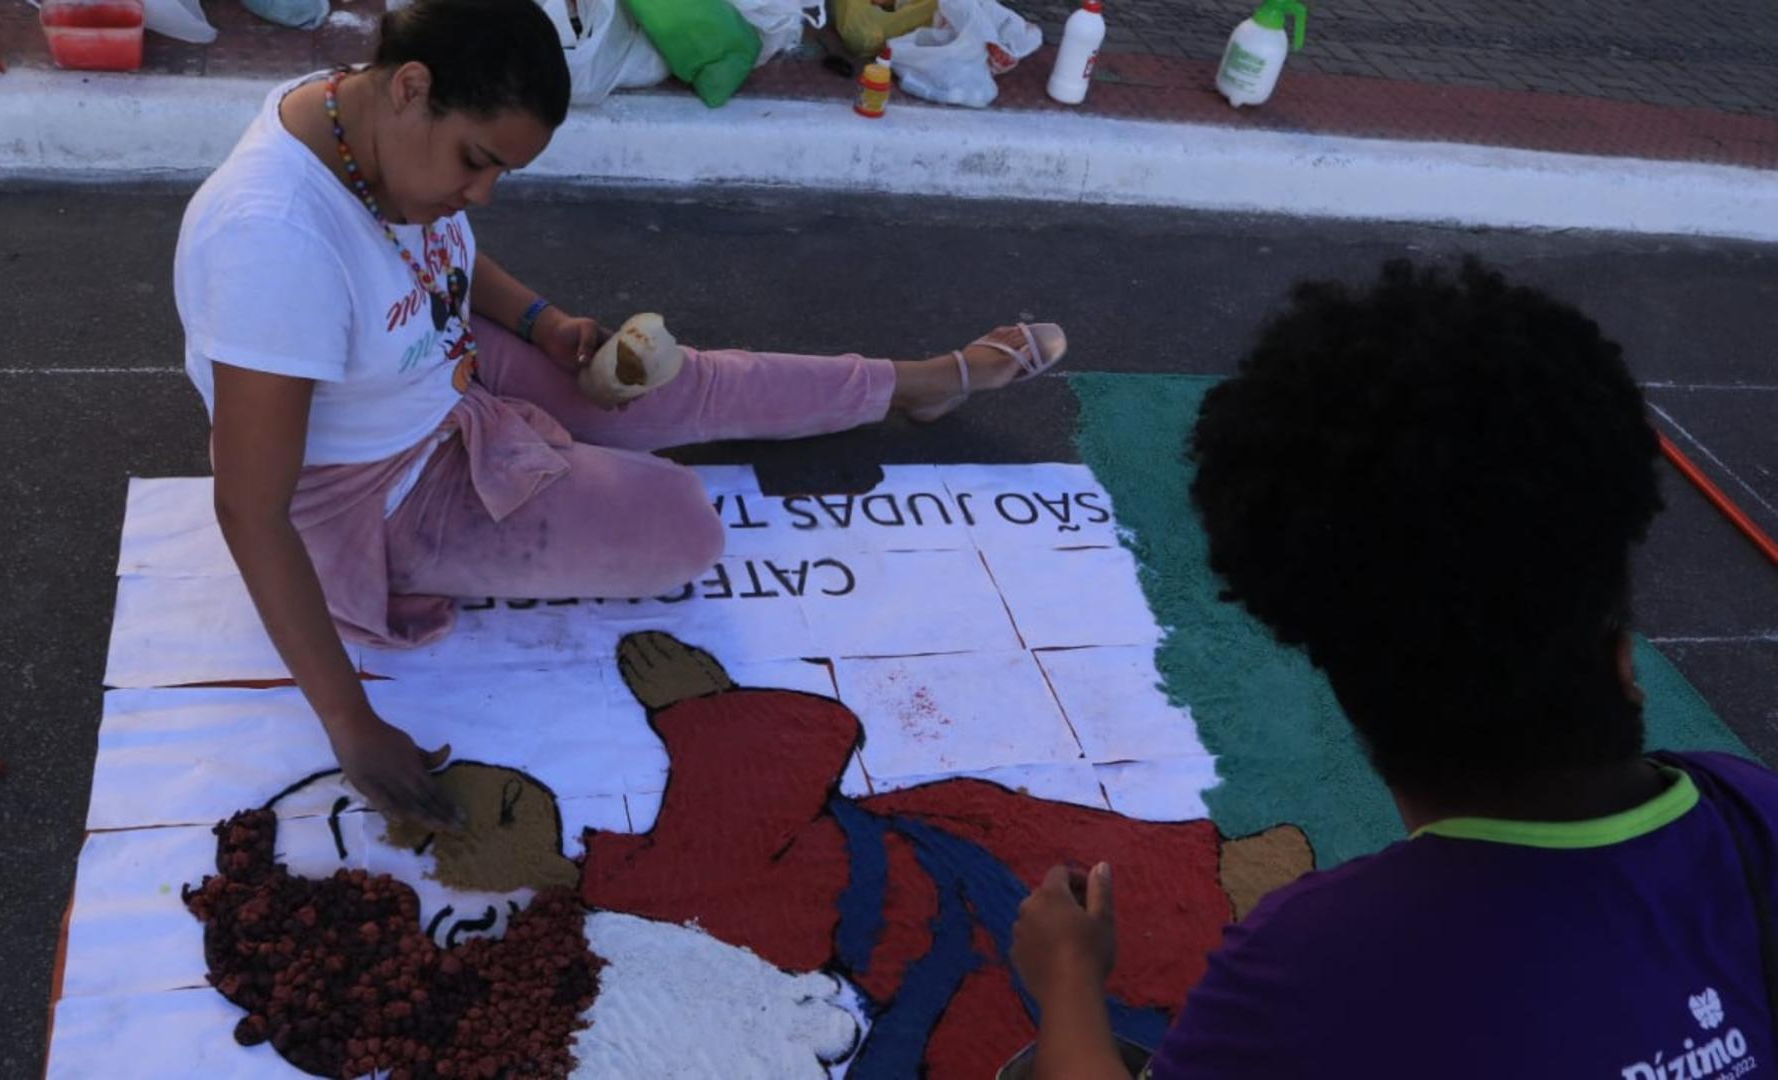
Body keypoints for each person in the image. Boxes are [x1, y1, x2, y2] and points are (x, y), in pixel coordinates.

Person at [172, 0, 1066, 831]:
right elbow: (251, 508)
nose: (481, 195)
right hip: (374, 488)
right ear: (411, 88)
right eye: (478, 162)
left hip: (441, 367)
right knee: (679, 522)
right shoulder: (272, 240)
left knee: (669, 383)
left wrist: (542, 322)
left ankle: (913, 382)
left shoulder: (353, 115)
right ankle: (501, 494)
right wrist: (350, 723)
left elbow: (436, 249)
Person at [1009, 259, 1777, 1078]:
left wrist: (1067, 979)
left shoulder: (1313, 963)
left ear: (1345, 687)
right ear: (1621, 652)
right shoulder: (1748, 806)